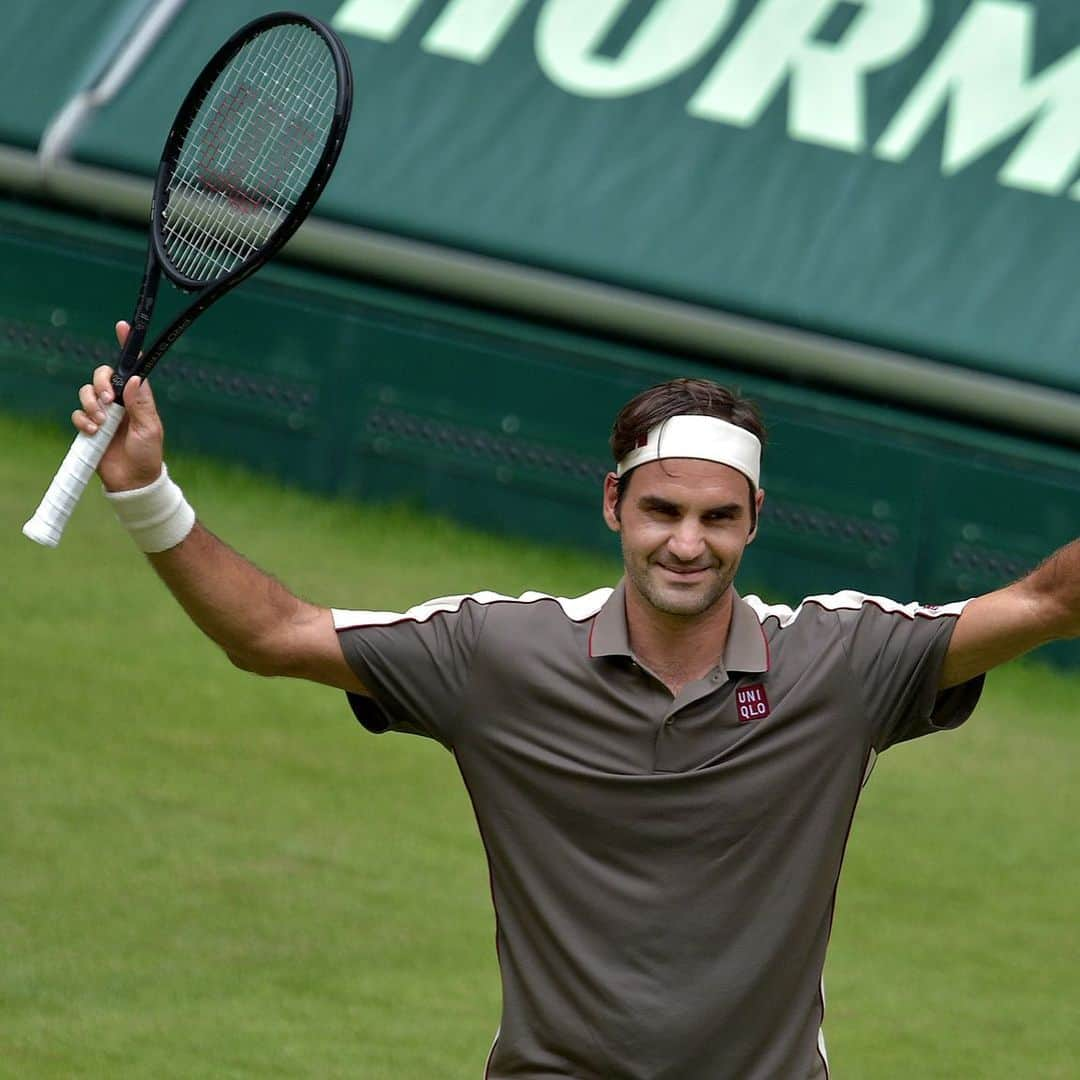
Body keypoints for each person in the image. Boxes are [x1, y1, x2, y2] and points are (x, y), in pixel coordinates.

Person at [73, 323, 1079, 1079]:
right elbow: (270, 635)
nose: (688, 543)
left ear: (756, 520)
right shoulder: (498, 655)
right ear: (613, 504)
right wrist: (145, 489)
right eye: (662, 512)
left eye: (718, 518)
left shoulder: (842, 661)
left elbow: (1049, 599)